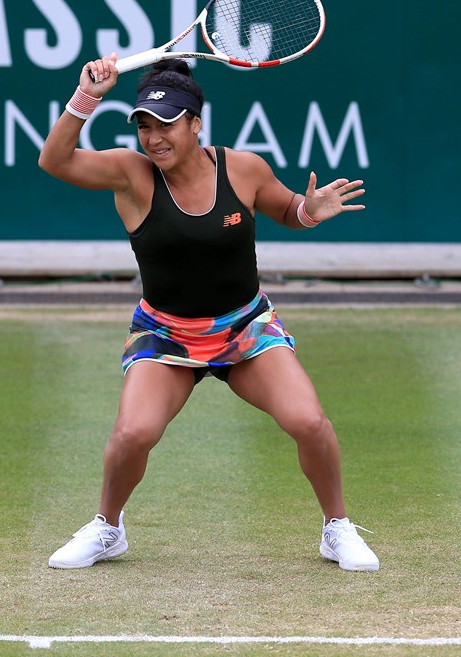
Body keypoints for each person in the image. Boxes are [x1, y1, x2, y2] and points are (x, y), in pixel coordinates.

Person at [37, 53, 379, 572]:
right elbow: (55, 163)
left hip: (245, 329)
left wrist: (311, 211)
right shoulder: (131, 175)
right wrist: (87, 95)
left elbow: (288, 208)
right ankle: (108, 528)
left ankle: (337, 528)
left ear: (196, 124)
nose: (154, 138)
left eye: (167, 125)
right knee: (133, 435)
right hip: (167, 335)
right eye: (145, 127)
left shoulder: (243, 168)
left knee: (309, 422)